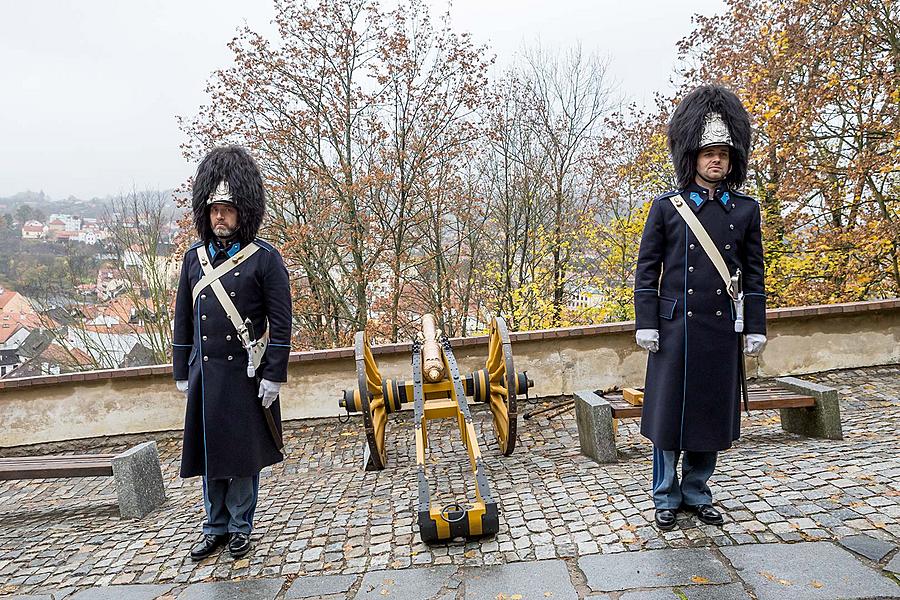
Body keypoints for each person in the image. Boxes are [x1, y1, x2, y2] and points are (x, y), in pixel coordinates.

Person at [633, 84, 767, 530]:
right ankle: (665, 495)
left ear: (732, 161)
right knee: (668, 416)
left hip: (719, 329)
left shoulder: (745, 211)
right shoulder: (667, 209)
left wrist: (755, 327)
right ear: (691, 158)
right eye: (708, 153)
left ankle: (697, 491)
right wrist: (646, 323)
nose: (716, 161)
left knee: (709, 414)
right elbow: (647, 269)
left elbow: (753, 273)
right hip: (674, 331)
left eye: (723, 155)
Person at [172, 145, 292, 559]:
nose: (220, 215)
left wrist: (274, 374)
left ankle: (241, 525)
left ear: (243, 211)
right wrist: (181, 371)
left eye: (228, 208)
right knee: (210, 454)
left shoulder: (265, 260)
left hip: (246, 373)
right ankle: (214, 526)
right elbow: (183, 321)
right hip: (206, 375)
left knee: (241, 457)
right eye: (214, 208)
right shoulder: (193, 260)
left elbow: (281, 323)